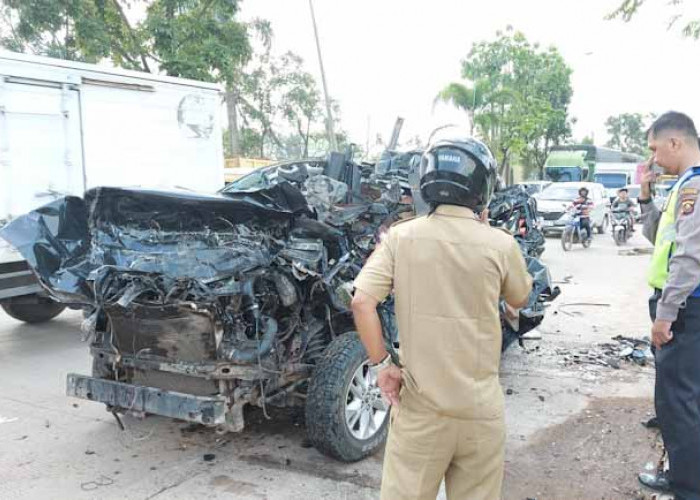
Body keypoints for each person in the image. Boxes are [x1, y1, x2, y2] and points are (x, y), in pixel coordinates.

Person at [351, 136, 532, 500]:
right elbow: (520, 297)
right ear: (482, 188)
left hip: (420, 409)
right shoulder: (500, 244)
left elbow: (361, 302)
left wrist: (383, 365)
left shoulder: (400, 238)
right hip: (480, 411)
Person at [637, 111, 700, 500]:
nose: (654, 158)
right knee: (686, 397)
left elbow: (689, 258)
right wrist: (645, 195)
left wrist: (665, 316)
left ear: (675, 142)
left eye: (655, 149)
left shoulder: (693, 188)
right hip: (683, 307)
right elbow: (660, 238)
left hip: (684, 310)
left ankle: (687, 487)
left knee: (677, 403)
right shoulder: (682, 186)